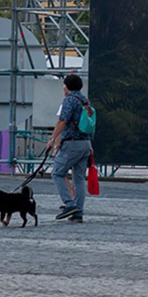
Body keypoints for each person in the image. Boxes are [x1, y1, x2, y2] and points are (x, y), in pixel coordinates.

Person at [46, 73, 92, 222]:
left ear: (66, 86)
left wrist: (52, 139)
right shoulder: (85, 101)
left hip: (71, 143)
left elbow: (62, 121)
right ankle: (78, 213)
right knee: (78, 179)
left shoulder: (69, 100)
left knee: (57, 173)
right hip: (85, 143)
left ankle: (69, 204)